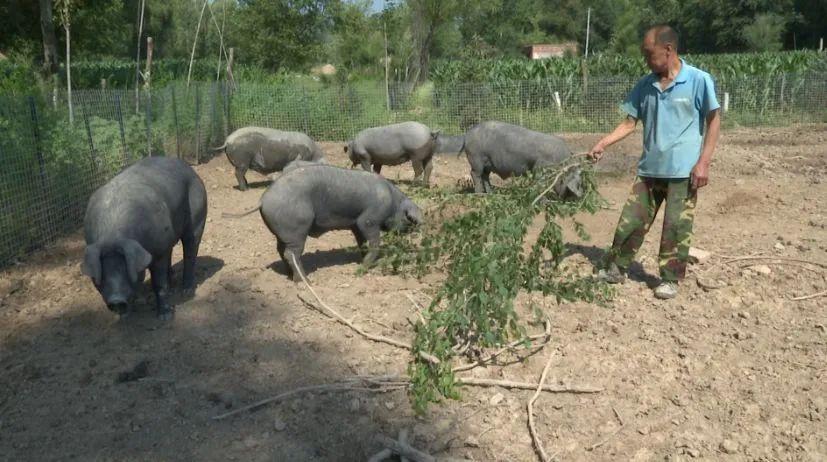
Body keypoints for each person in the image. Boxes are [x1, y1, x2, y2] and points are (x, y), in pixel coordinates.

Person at [588, 24, 721, 299]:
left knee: (675, 227)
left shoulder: (698, 80)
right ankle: (616, 268)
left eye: (649, 54)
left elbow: (714, 120)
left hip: (683, 172)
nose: (646, 60)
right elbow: (629, 122)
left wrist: (704, 162)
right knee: (630, 222)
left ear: (668, 50)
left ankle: (669, 279)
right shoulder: (645, 85)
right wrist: (603, 143)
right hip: (649, 169)